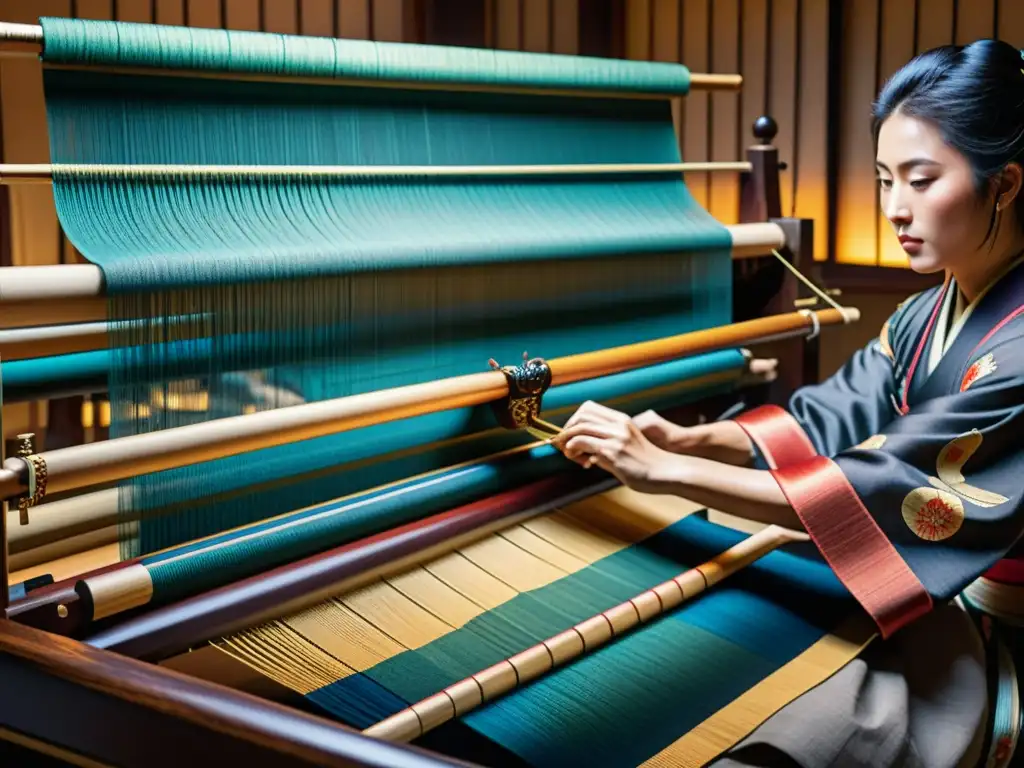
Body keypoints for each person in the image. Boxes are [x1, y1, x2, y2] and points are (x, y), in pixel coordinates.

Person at [553, 40, 1024, 768]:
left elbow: (886, 490)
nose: (895, 208)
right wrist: (686, 441)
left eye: (922, 180)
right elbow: (830, 414)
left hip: (1002, 638)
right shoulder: (924, 316)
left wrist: (660, 471)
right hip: (930, 601)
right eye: (883, 179)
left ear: (1006, 182)